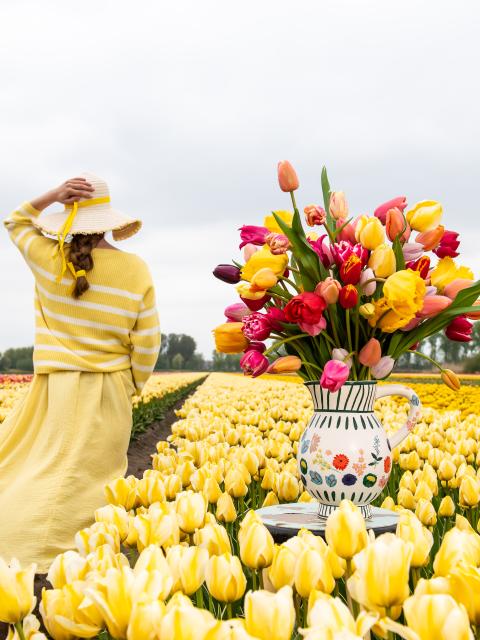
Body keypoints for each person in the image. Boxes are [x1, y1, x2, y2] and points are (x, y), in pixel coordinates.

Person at [0, 173, 160, 573]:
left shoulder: (49, 259)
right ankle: (80, 565)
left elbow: (15, 222)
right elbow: (147, 343)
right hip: (108, 392)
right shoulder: (135, 269)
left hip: (52, 389)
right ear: (109, 220)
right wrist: (132, 385)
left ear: (69, 216)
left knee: (36, 469)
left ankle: (21, 546)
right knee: (90, 483)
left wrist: (52, 196)